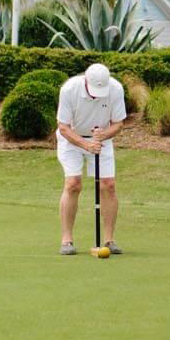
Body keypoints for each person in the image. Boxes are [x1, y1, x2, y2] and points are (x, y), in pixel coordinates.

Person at [55, 63, 127, 256]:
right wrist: (86, 145)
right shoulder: (69, 89)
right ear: (86, 80)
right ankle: (67, 240)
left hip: (101, 139)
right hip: (72, 139)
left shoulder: (115, 89)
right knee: (73, 184)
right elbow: (63, 127)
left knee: (108, 185)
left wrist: (102, 136)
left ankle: (109, 240)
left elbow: (118, 124)